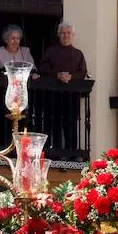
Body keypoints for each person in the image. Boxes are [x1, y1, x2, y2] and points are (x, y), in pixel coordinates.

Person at [39, 22, 88, 155]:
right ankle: (53, 152)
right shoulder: (51, 51)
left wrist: (71, 77)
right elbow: (43, 68)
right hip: (53, 96)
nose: (66, 36)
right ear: (58, 35)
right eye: (63, 33)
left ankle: (70, 153)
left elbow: (83, 72)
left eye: (68, 33)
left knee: (70, 124)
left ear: (72, 35)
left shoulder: (78, 54)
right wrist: (57, 75)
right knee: (53, 123)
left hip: (71, 97)